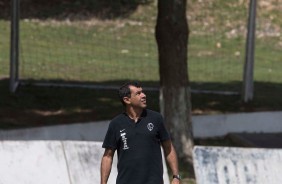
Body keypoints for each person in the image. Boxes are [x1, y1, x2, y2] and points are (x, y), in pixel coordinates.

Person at [100, 81, 181, 184]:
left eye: (142, 92)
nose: (143, 95)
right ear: (127, 100)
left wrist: (176, 176)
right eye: (138, 93)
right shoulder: (116, 124)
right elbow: (107, 156)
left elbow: (168, 147)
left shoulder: (156, 118)